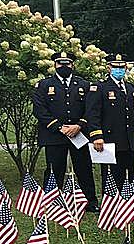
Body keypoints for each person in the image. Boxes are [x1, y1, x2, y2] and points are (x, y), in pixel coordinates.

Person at [31, 52, 99, 211]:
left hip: (79, 134)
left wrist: (79, 125)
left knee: (84, 168)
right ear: (54, 65)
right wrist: (59, 127)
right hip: (54, 134)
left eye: (67, 64)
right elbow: (40, 110)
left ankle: (90, 201)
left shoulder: (83, 84)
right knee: (54, 169)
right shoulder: (44, 85)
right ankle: (51, 202)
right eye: (60, 64)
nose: (64, 67)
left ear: (72, 65)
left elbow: (91, 109)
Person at [87, 54, 134, 189]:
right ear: (109, 68)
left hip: (128, 140)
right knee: (112, 175)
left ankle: (126, 203)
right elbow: (93, 114)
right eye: (116, 67)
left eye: (122, 67)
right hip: (109, 139)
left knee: (128, 173)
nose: (119, 70)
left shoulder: (130, 88)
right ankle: (112, 205)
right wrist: (97, 136)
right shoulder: (100, 87)